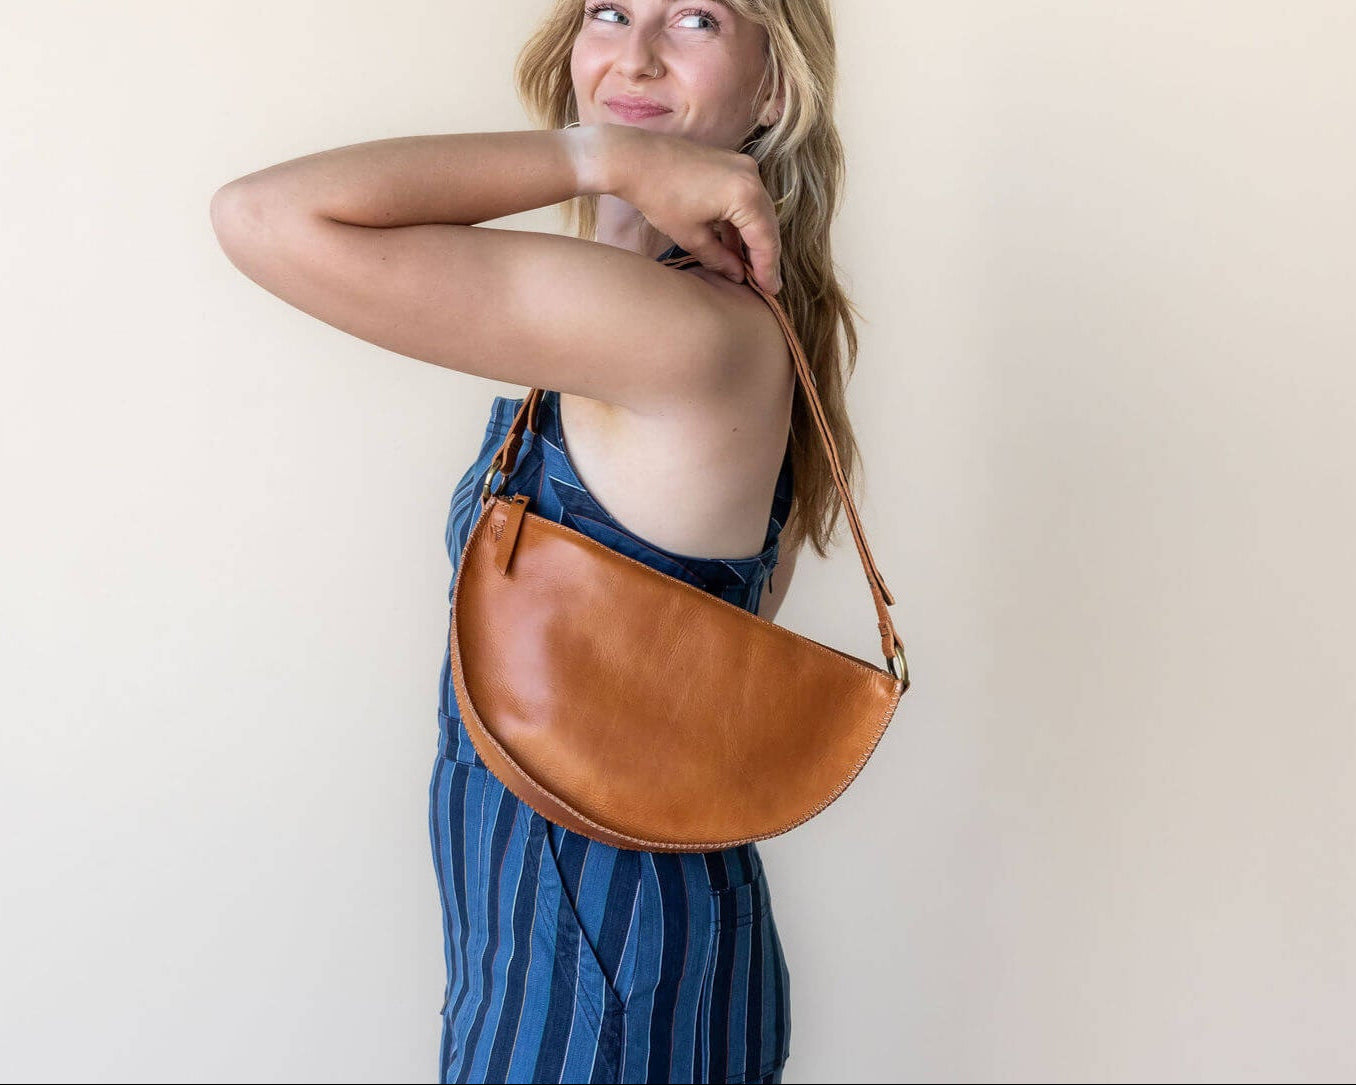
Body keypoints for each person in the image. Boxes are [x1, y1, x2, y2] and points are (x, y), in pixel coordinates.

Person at [211, 1, 874, 1080]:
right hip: (573, 949)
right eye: (610, 9)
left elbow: (264, 216)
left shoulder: (678, 330)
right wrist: (619, 182)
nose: (639, 50)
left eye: (697, 18)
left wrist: (601, 156)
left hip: (602, 980)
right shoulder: (661, 315)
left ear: (773, 90)